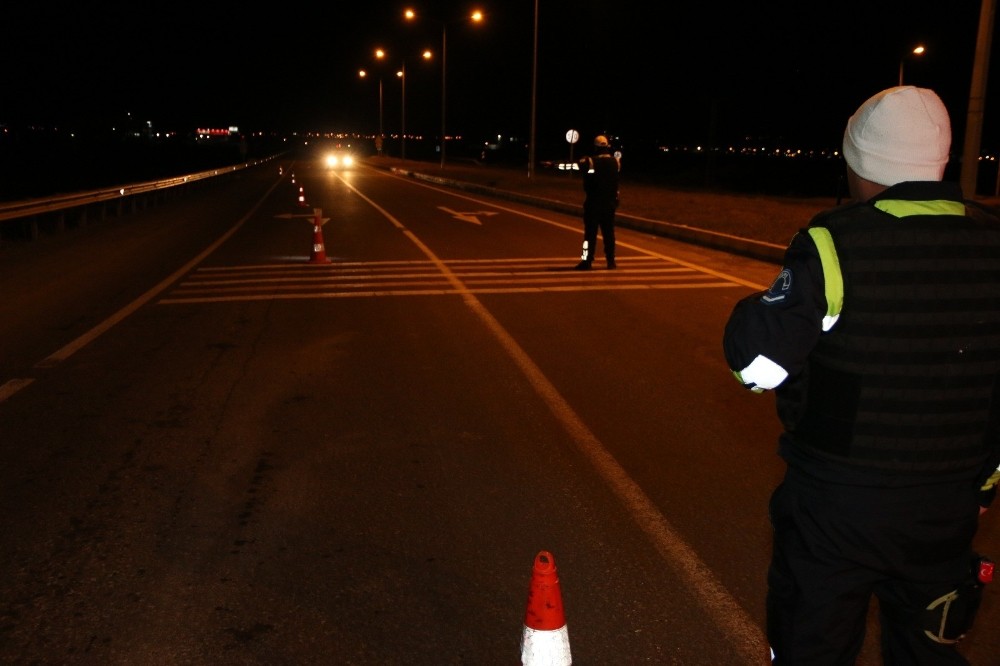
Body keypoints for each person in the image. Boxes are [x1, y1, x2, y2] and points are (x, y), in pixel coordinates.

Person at [723, 85, 1000, 665]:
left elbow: (759, 369)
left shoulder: (835, 243)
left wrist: (758, 312)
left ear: (862, 165)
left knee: (812, 650)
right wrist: (981, 487)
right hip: (944, 514)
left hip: (836, 510)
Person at [574, 134, 620, 270]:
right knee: (609, 233)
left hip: (593, 203)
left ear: (595, 147)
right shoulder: (616, 162)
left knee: (589, 235)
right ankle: (611, 261)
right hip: (609, 203)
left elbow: (576, 167)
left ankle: (586, 261)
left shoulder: (590, 161)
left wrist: (554, 165)